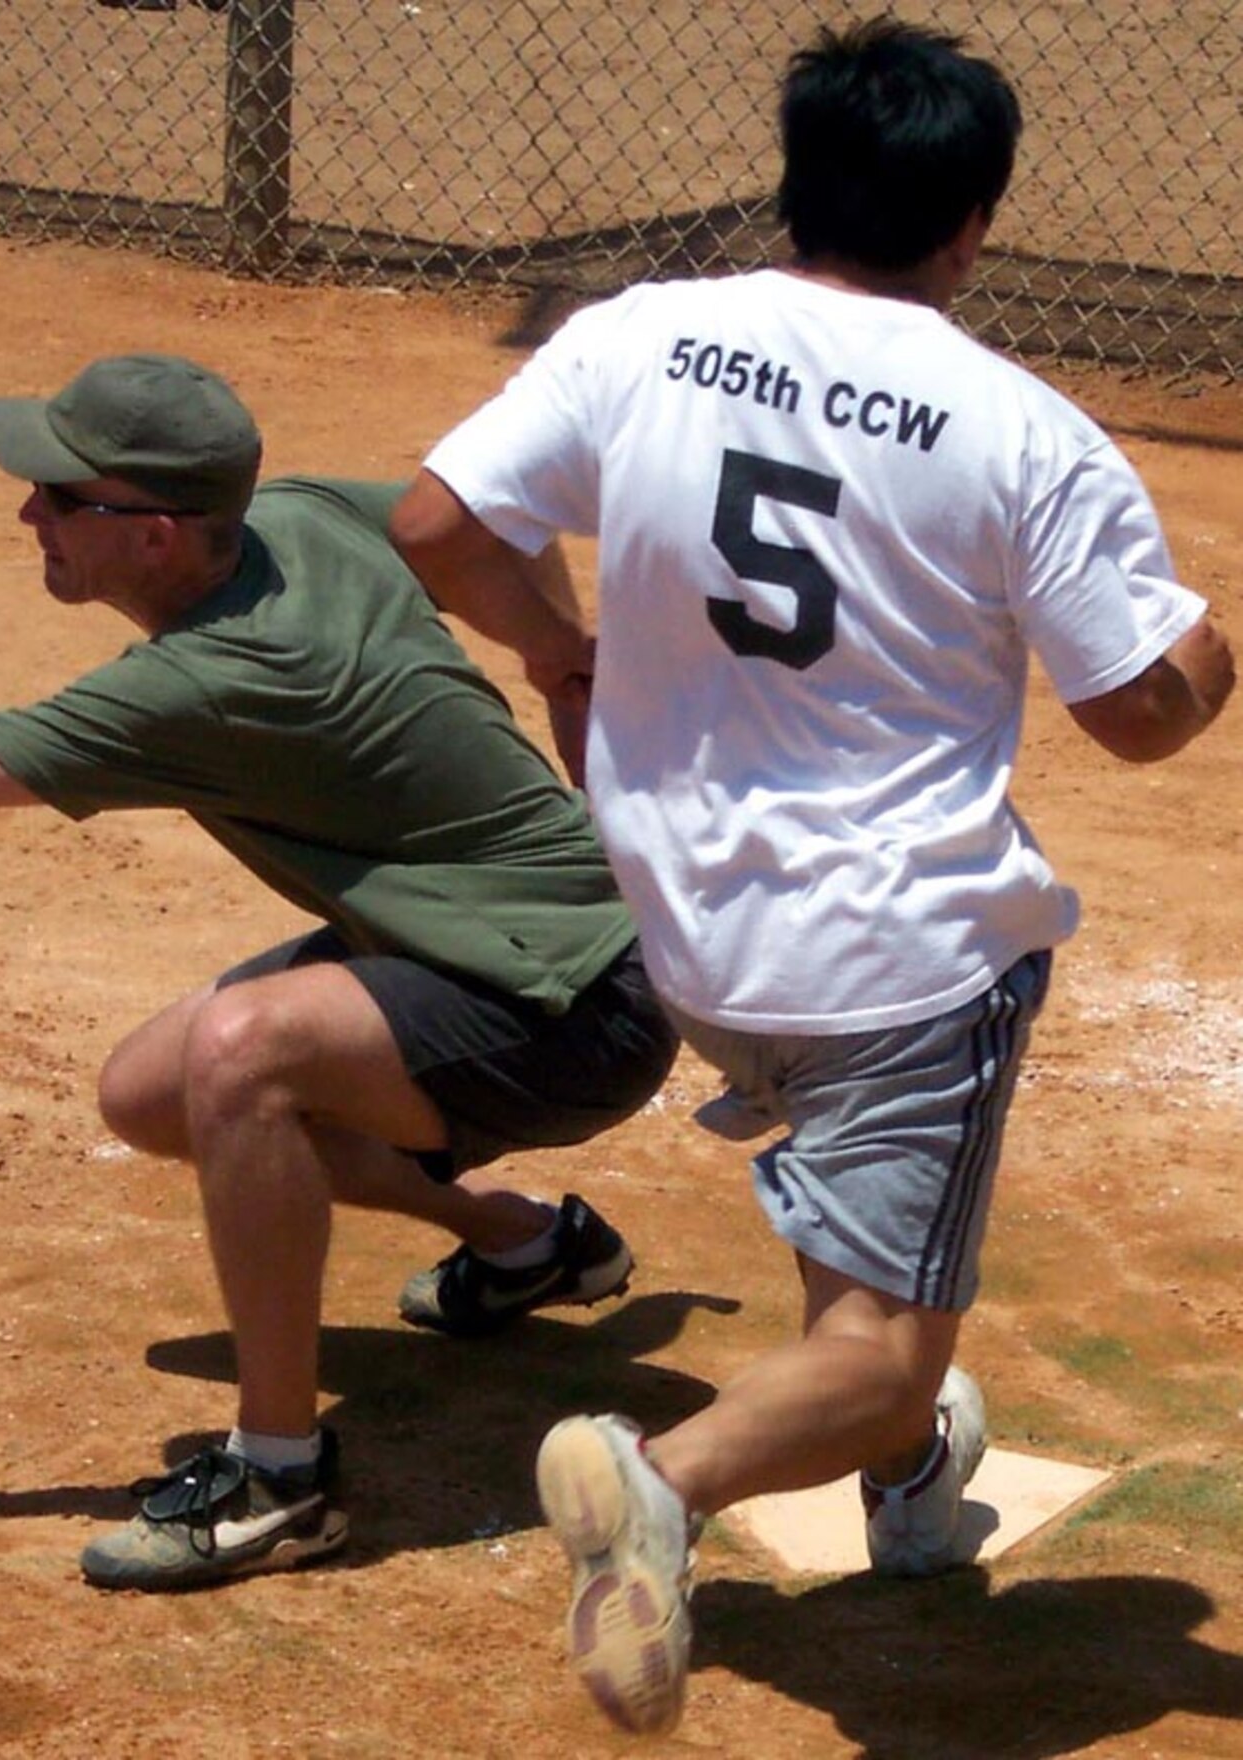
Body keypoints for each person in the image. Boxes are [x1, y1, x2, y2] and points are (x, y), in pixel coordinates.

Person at [389, 18, 1233, 1736]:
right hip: (907, 962)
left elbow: (437, 528)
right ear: (975, 220)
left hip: (692, 932)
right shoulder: (1027, 432)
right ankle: (661, 1482)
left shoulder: (641, 336)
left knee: (875, 1285)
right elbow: (1139, 714)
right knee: (880, 1338)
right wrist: (1220, 653)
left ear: (797, 183)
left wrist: (567, 661)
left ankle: (913, 1478)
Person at [0, 352, 680, 1591]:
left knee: (239, 1055)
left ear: (152, 534)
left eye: (58, 495)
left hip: (576, 1003)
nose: (26, 513)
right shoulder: (298, 514)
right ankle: (525, 1244)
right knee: (150, 1095)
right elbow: (487, 523)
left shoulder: (212, 675)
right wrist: (555, 656)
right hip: (469, 943)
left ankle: (278, 1479)